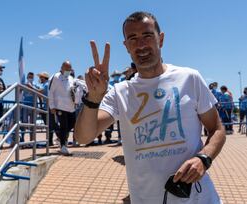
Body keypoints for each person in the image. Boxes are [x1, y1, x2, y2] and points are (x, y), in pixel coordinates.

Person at [75, 11, 225, 204]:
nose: (141, 44)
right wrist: (93, 98)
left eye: (147, 35)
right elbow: (83, 137)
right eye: (133, 38)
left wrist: (204, 158)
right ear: (126, 46)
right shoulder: (120, 92)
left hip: (199, 198)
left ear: (160, 39)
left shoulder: (190, 78)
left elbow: (217, 129)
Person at [48, 61, 77, 154]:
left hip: (70, 107)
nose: (68, 71)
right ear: (62, 68)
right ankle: (63, 146)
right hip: (60, 106)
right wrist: (51, 106)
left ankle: (60, 136)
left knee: (72, 123)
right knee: (64, 126)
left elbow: (73, 91)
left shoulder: (71, 78)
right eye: (67, 69)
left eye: (70, 69)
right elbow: (50, 92)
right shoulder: (55, 77)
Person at [21, 72, 40, 142]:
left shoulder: (36, 84)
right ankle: (22, 139)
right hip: (25, 104)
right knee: (24, 122)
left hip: (34, 105)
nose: (30, 78)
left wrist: (31, 87)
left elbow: (39, 92)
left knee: (33, 123)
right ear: (27, 77)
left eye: (31, 77)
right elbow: (20, 91)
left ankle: (32, 140)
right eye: (29, 77)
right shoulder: (24, 84)